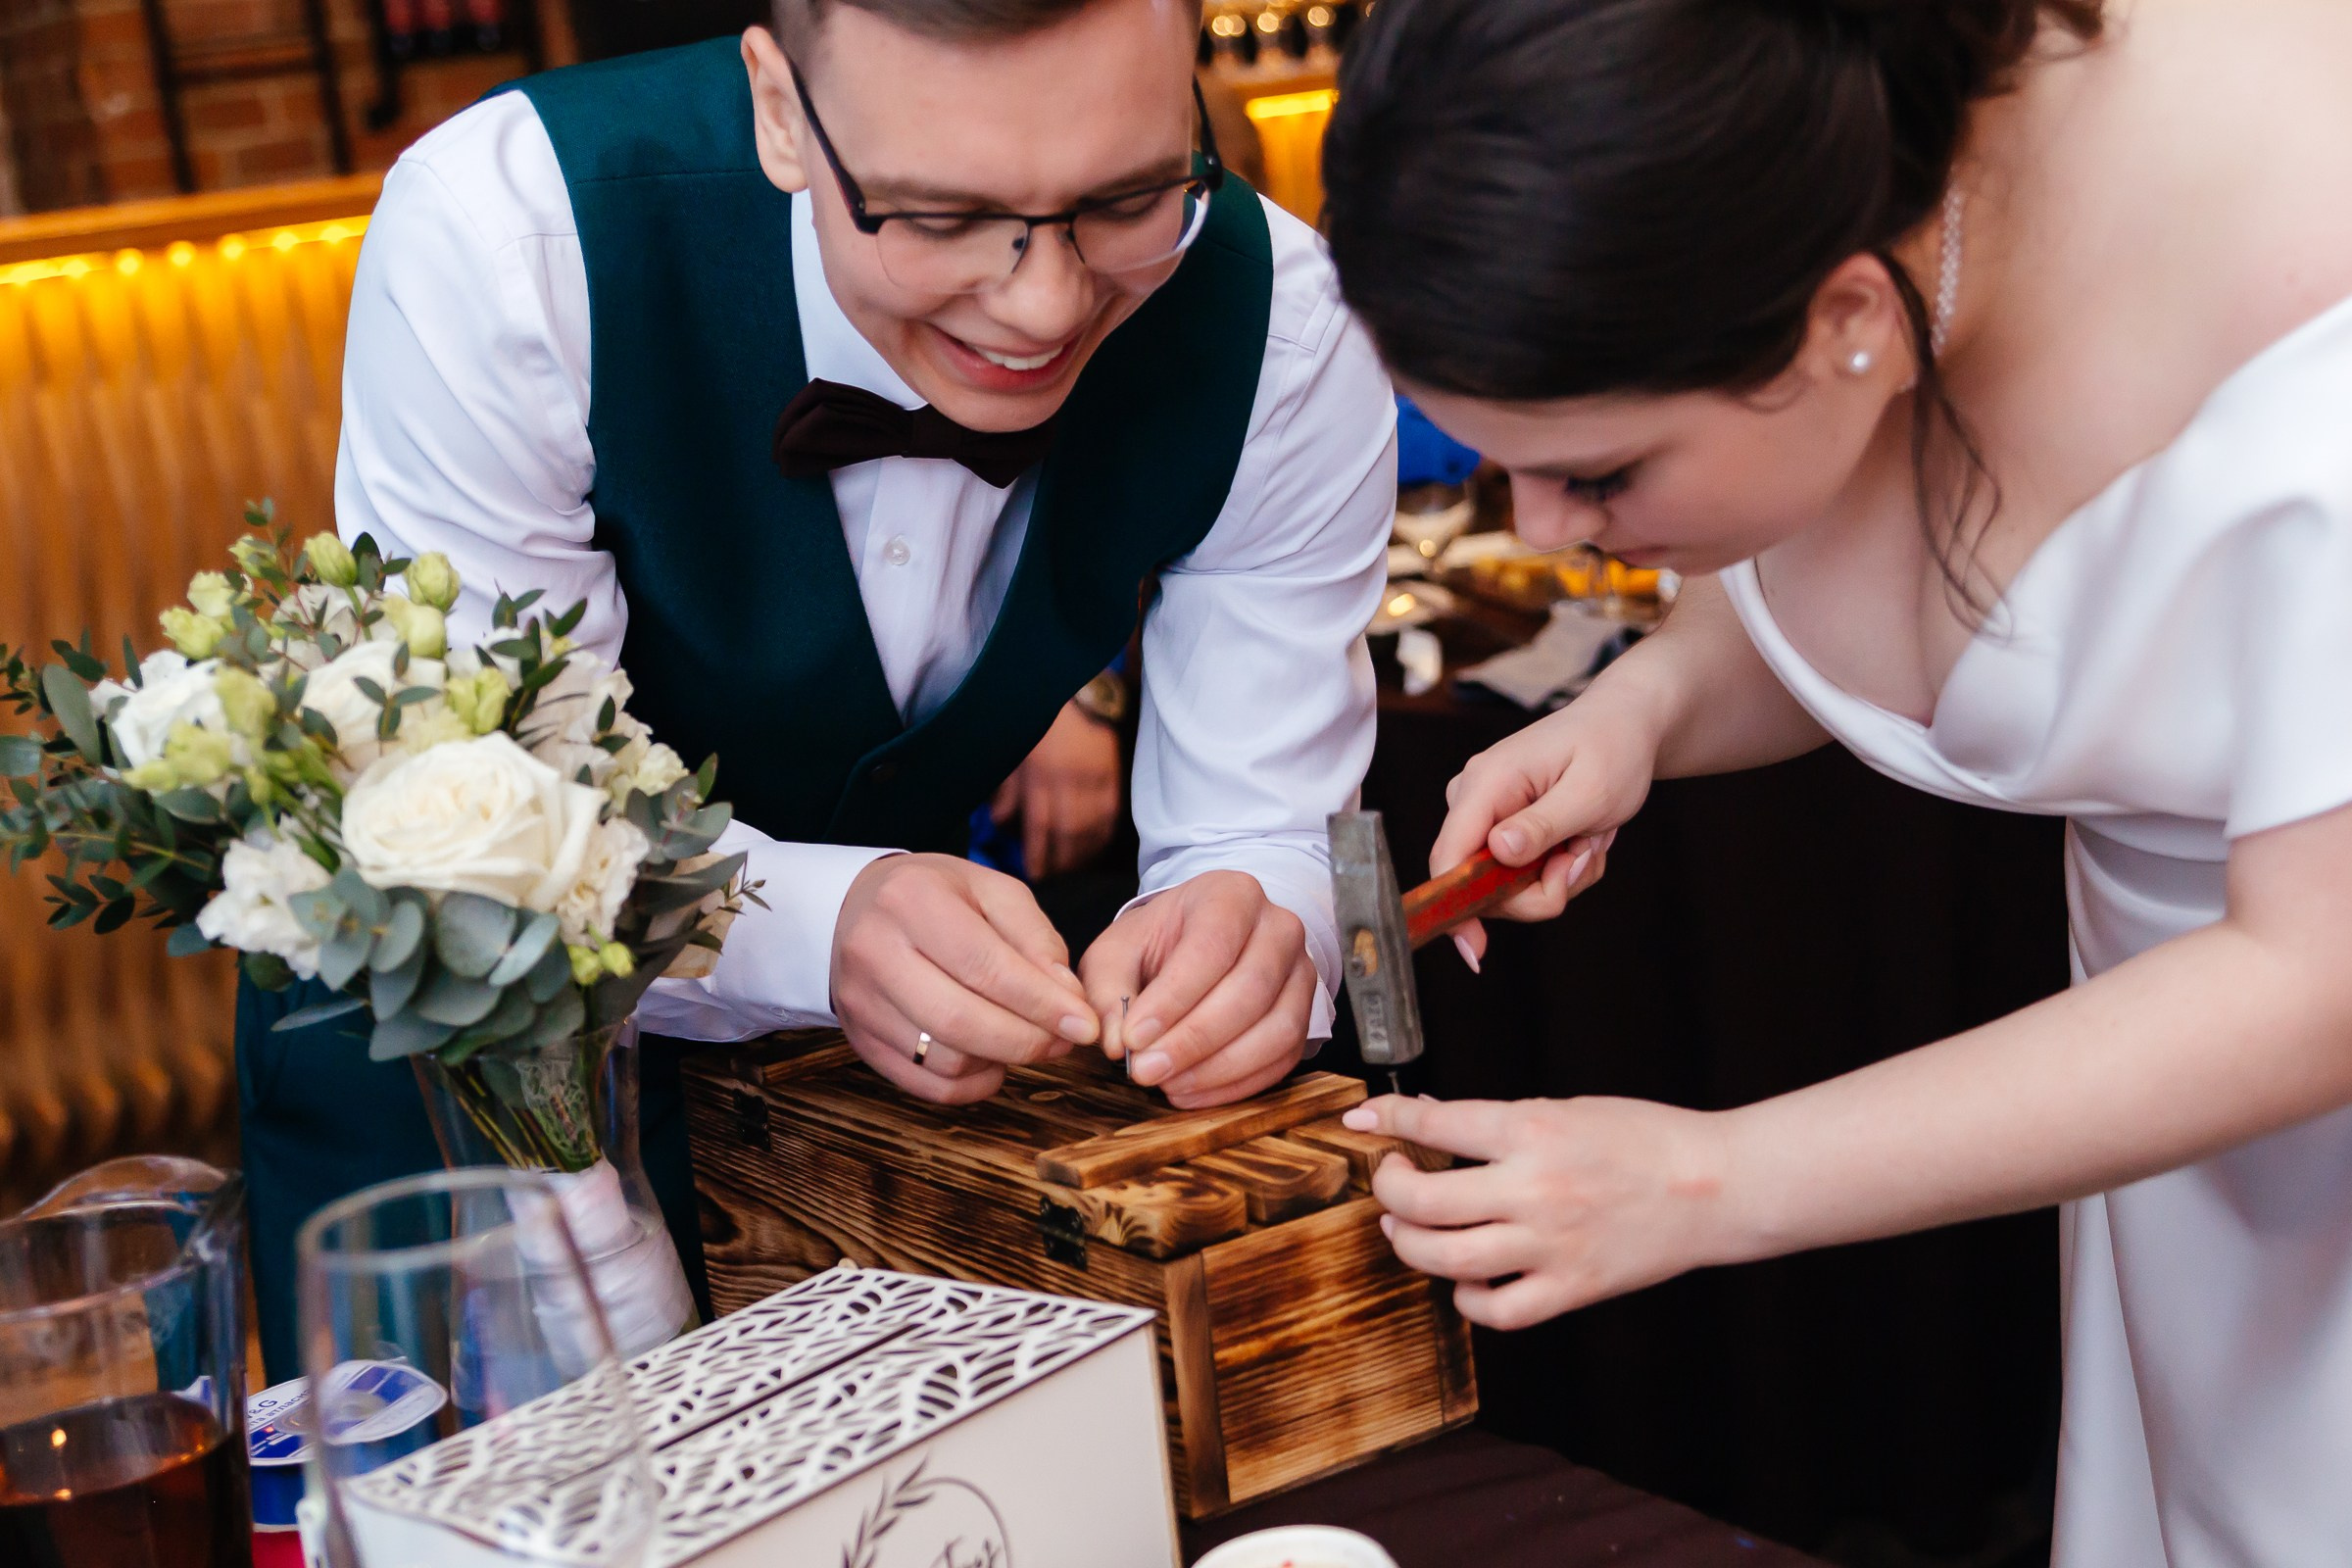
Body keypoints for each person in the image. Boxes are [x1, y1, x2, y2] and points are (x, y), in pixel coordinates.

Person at [1318, 0, 2352, 1561]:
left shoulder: (2313, 317)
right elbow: (1878, 553)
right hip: (2170, 1128)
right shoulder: (1846, 177)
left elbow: (2315, 980)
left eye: (1598, 475)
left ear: (1848, 315)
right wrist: (1647, 708)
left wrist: (1708, 1176)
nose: (1538, 529)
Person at [236, 0, 1394, 1377]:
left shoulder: (1288, 326)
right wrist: (820, 925)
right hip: (465, 1136)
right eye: (937, 214)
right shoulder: (507, 240)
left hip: (859, 1144)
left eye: (1127, 197)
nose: (1042, 301)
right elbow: (476, 812)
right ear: (782, 108)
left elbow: (1265, 821)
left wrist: (1257, 922)